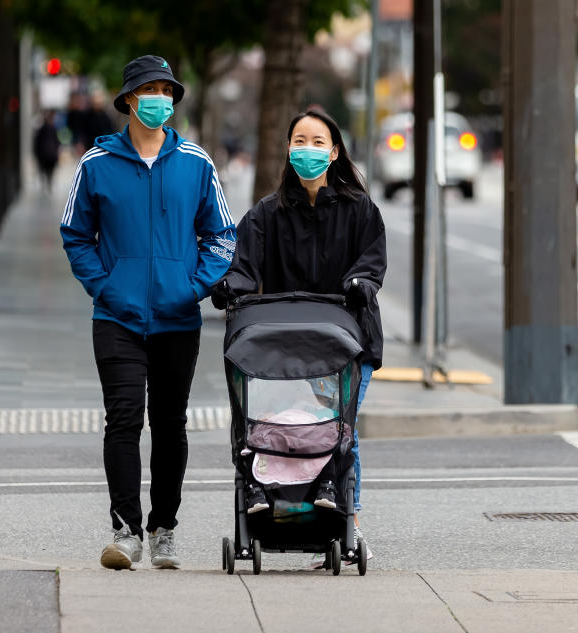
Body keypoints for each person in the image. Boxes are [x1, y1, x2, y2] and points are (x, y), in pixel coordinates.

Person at [60, 55, 236, 570]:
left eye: (168, 89)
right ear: (130, 99)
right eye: (151, 89)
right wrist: (104, 287)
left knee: (170, 423)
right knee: (123, 420)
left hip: (178, 318)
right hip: (117, 317)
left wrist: (193, 287)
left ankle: (164, 529)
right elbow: (76, 235)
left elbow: (222, 235)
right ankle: (125, 531)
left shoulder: (197, 163)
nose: (161, 98)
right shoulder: (96, 165)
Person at [212, 108, 386, 559]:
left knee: (336, 427)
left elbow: (371, 262)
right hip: (283, 346)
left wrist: (360, 284)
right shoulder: (266, 214)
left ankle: (349, 517)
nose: (307, 149)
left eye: (317, 141)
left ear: (334, 151)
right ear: (288, 150)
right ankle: (281, 503)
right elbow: (244, 267)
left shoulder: (359, 209)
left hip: (347, 343)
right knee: (282, 425)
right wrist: (231, 286)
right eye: (299, 141)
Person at [33, 111, 61, 192]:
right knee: (47, 169)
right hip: (47, 154)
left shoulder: (50, 129)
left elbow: (56, 142)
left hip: (47, 154)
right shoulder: (47, 129)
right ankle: (48, 182)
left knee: (47, 169)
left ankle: (48, 182)